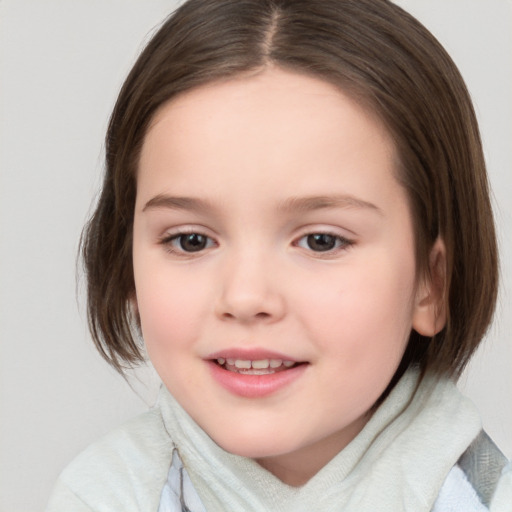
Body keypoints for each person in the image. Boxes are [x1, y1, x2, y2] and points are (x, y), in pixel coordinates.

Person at [46, 0, 511, 510]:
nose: (245, 297)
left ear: (431, 282)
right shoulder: (102, 496)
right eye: (191, 240)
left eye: (321, 241)